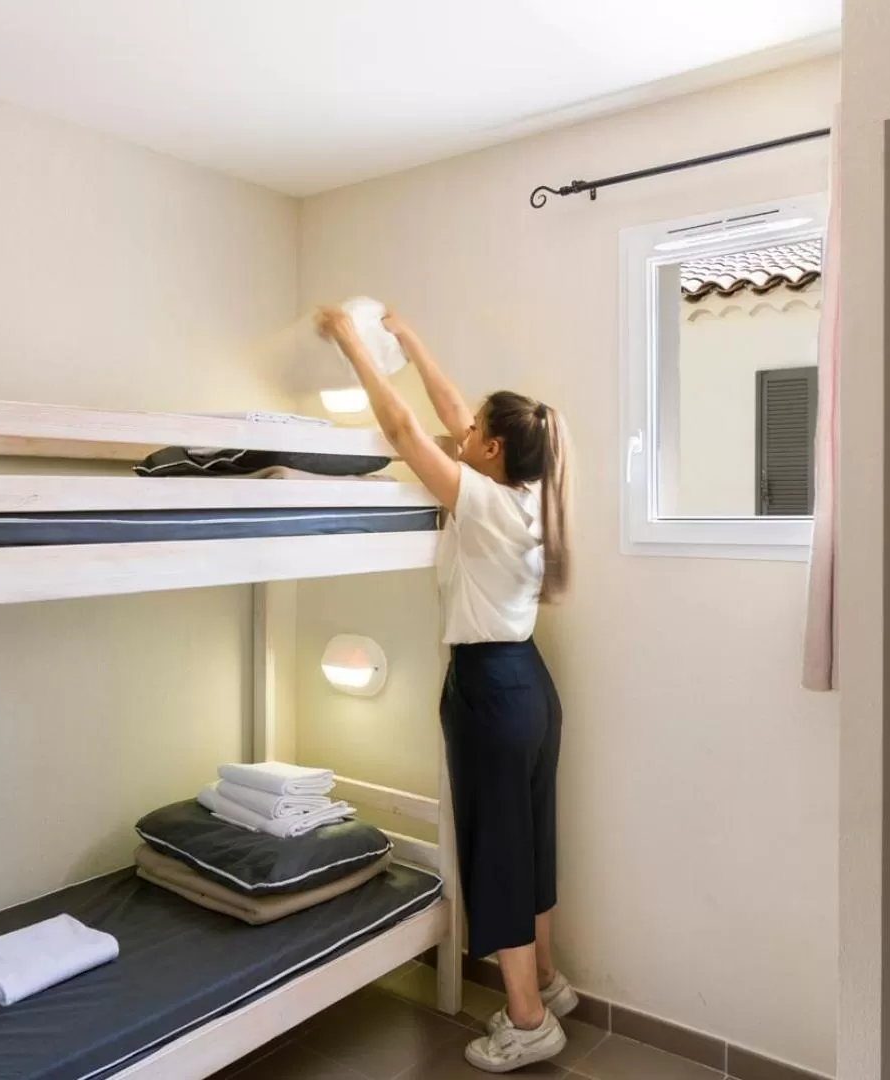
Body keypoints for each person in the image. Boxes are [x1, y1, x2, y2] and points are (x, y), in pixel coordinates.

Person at [314, 306, 575, 1073]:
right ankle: (549, 984)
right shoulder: (527, 494)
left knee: (496, 852)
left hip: (491, 690)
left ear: (491, 450)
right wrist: (413, 339)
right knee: (530, 840)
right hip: (530, 684)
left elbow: (404, 433)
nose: (457, 435)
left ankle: (526, 1020)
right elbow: (456, 414)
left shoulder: (484, 499)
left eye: (470, 436)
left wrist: (355, 343)